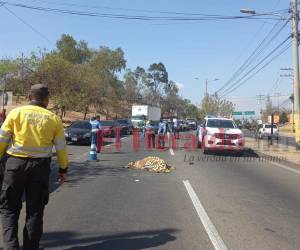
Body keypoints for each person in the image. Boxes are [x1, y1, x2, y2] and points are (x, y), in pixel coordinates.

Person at [0, 84, 68, 250]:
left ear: (29, 97)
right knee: (35, 210)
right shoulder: (53, 118)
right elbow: (61, 147)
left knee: (9, 208)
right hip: (40, 168)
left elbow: (2, 140)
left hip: (14, 165)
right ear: (47, 99)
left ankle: (10, 247)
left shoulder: (16, 113)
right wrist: (63, 169)